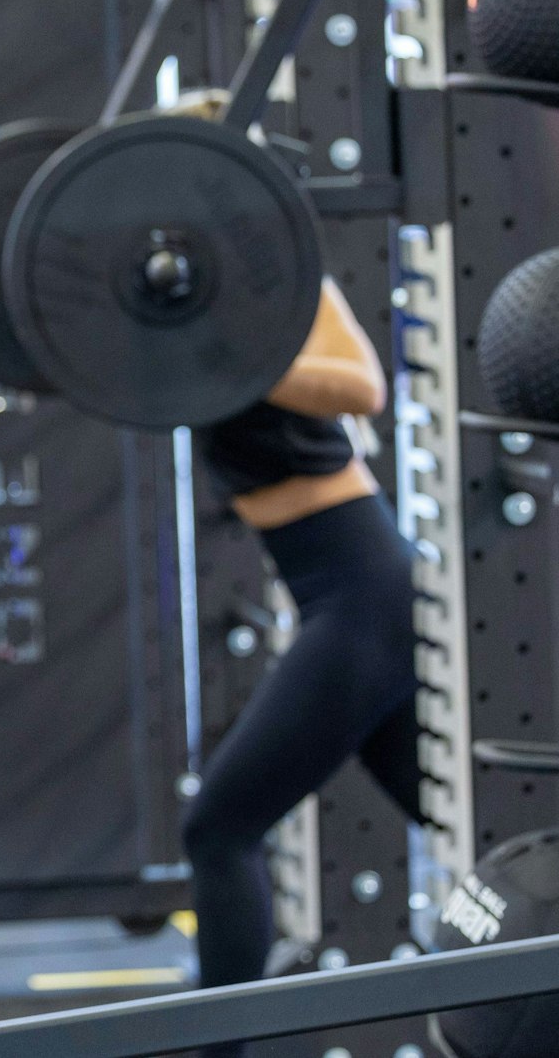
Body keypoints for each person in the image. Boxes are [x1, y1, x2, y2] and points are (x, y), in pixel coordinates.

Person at [180, 279, 424, 1047]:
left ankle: (222, 1048)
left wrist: (238, 361)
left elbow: (364, 385)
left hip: (363, 596)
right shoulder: (161, 309)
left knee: (217, 829)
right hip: (339, 594)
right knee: (461, 827)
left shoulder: (283, 278)